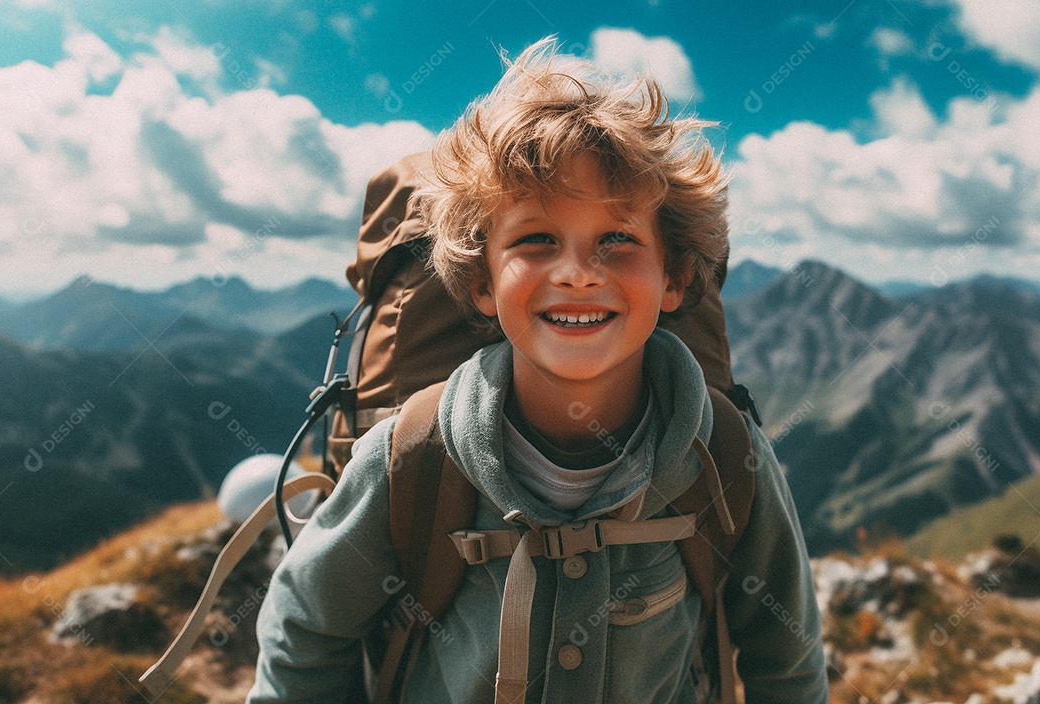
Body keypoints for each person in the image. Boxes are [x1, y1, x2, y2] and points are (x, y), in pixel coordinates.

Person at [248, 37, 828, 704]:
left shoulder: (726, 454)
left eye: (618, 238)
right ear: (481, 283)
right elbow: (306, 631)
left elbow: (787, 660)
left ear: (674, 277)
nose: (577, 272)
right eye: (536, 240)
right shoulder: (410, 458)